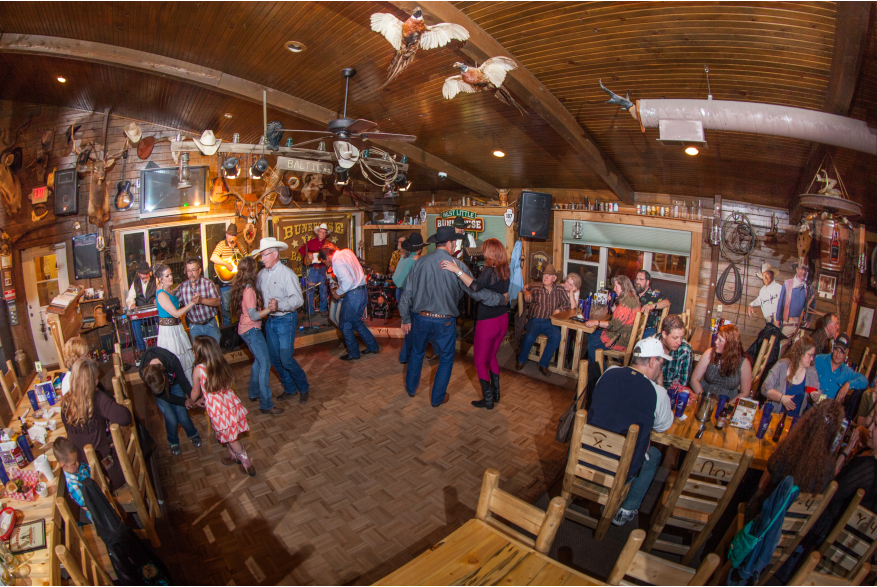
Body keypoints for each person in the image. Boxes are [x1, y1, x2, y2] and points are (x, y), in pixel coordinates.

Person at [398, 226, 508, 407]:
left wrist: (405, 318)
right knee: (447, 359)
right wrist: (501, 299)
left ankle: (411, 389)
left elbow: (406, 294)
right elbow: (477, 294)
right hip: (445, 321)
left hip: (421, 319)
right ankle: (437, 398)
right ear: (449, 243)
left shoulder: (419, 262)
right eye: (454, 242)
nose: (455, 245)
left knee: (417, 353)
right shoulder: (458, 266)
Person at [588, 337, 674, 526]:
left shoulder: (610, 372)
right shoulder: (658, 393)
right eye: (661, 362)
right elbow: (663, 427)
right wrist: (659, 386)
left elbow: (596, 399)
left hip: (586, 451)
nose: (662, 367)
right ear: (652, 361)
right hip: (619, 468)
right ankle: (626, 509)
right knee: (653, 454)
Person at [440, 238, 510, 409]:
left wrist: (456, 270)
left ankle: (488, 400)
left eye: (484, 250)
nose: (482, 253)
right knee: (491, 357)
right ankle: (496, 394)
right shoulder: (505, 270)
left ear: (491, 252)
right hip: (503, 320)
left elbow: (475, 287)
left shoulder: (489, 271)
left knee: (479, 362)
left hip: (489, 322)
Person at [748, 400, 846, 519]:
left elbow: (768, 475)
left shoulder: (791, 447)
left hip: (766, 518)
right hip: (794, 526)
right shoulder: (830, 463)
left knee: (754, 488)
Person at [253, 237, 310, 404]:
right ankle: (290, 388)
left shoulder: (287, 274)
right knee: (274, 358)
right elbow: (258, 295)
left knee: (285, 358)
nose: (262, 259)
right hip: (270, 321)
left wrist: (279, 305)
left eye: (265, 255)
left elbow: (298, 300)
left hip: (286, 319)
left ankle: (304, 387)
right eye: (261, 256)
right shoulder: (261, 275)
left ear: (275, 254)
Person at [61, 359, 132, 490]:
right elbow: (126, 417)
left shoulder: (65, 402)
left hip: (83, 476)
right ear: (93, 382)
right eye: (95, 379)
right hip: (106, 476)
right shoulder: (98, 398)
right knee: (128, 446)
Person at [190, 336, 255, 476]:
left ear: (200, 353)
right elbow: (215, 385)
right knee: (226, 434)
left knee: (232, 439)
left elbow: (195, 391)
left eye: (194, 350)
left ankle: (246, 461)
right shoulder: (219, 362)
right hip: (229, 403)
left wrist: (190, 401)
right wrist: (204, 397)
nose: (193, 353)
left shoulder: (198, 369)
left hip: (218, 410)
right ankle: (234, 456)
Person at [230, 256, 282, 415]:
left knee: (259, 363)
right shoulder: (249, 290)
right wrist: (270, 309)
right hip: (252, 330)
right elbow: (254, 315)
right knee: (265, 364)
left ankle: (253, 392)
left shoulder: (243, 287)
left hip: (246, 330)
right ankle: (266, 404)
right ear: (252, 271)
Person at [319, 243, 380, 360]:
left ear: (327, 255)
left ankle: (354, 353)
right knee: (356, 322)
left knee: (344, 325)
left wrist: (337, 292)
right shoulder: (347, 251)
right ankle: (373, 346)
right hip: (362, 291)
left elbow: (348, 282)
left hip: (354, 294)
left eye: (324, 261)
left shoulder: (336, 261)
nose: (326, 264)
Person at [140, 345, 202, 455]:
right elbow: (163, 395)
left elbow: (183, 381)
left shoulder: (171, 360)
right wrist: (183, 401)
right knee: (171, 419)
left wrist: (193, 398)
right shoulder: (144, 372)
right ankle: (173, 441)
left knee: (182, 415)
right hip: (160, 393)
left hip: (175, 384)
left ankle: (193, 434)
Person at [515, 264, 571, 376]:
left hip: (550, 322)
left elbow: (567, 304)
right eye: (544, 274)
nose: (545, 277)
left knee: (556, 336)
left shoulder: (559, 289)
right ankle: (521, 360)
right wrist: (526, 292)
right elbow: (526, 288)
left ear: (554, 278)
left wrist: (559, 309)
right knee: (529, 336)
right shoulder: (535, 286)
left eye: (549, 275)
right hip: (535, 320)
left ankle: (543, 364)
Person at [154, 263, 198, 383]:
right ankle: (187, 391)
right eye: (167, 276)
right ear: (160, 279)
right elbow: (176, 313)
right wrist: (193, 303)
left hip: (177, 328)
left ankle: (191, 390)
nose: (170, 277)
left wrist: (174, 289)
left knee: (185, 360)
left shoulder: (168, 290)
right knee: (177, 361)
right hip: (169, 331)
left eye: (171, 274)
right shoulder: (162, 294)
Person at [585, 275, 640, 364]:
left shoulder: (627, 303)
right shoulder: (631, 298)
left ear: (623, 286)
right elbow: (621, 316)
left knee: (592, 345)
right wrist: (613, 306)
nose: (614, 289)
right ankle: (593, 368)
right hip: (625, 334)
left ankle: (600, 374)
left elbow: (614, 325)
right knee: (592, 335)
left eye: (616, 286)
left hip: (620, 339)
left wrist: (596, 322)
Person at [690, 324, 752, 402]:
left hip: (728, 402)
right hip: (705, 397)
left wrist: (728, 404)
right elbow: (694, 380)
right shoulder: (709, 353)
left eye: (720, 340)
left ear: (730, 345)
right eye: (717, 338)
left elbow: (745, 392)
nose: (716, 342)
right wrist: (704, 398)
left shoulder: (744, 363)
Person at [763, 336, 820, 414]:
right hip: (773, 416)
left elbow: (813, 398)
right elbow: (765, 389)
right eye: (809, 355)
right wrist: (781, 398)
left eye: (813, 355)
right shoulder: (782, 365)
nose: (812, 359)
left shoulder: (811, 373)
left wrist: (815, 398)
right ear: (800, 353)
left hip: (795, 422)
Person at [394, 233, 427, 364]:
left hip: (399, 292)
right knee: (411, 327)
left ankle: (407, 355)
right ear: (420, 247)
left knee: (409, 325)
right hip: (407, 295)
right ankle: (406, 356)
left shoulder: (404, 256)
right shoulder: (417, 259)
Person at [175, 257, 222, 343]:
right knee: (199, 355)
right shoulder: (182, 287)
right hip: (194, 327)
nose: (191, 273)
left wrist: (201, 300)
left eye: (193, 270)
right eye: (188, 270)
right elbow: (172, 301)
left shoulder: (208, 283)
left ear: (199, 270)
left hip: (210, 325)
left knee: (214, 354)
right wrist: (161, 294)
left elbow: (217, 302)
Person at [210, 224, 248, 327]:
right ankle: (228, 330)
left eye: (234, 236)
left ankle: (239, 328)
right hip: (226, 283)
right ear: (226, 235)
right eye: (230, 235)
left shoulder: (239, 246)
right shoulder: (222, 245)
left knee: (239, 307)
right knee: (226, 308)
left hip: (237, 283)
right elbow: (213, 257)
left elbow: (246, 259)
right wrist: (227, 264)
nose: (232, 238)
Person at [814, 334, 868, 401]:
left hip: (830, 409)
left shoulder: (847, 372)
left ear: (847, 352)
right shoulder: (819, 359)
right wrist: (813, 393)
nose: (838, 354)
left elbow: (864, 381)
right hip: (813, 406)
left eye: (842, 351)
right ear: (833, 348)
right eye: (837, 350)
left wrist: (848, 385)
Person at [776, 258, 814, 353]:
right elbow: (780, 303)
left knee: (797, 352)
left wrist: (808, 320)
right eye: (802, 268)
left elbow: (812, 304)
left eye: (806, 270)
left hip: (801, 326)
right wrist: (777, 321)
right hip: (788, 323)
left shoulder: (808, 287)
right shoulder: (788, 284)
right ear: (797, 269)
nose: (804, 271)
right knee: (781, 349)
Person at [53, 436, 94, 521]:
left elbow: (90, 470)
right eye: (74, 463)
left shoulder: (77, 467)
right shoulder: (73, 485)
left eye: (77, 459)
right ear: (64, 466)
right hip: (96, 514)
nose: (78, 463)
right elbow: (88, 504)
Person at [298, 223, 331, 317]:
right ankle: (310, 311)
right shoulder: (311, 242)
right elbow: (301, 250)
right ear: (317, 232)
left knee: (323, 291)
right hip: (312, 269)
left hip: (323, 269)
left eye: (324, 232)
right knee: (310, 290)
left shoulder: (328, 243)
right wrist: (308, 253)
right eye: (321, 232)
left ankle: (323, 309)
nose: (323, 234)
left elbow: (331, 254)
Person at [653, 314, 693, 387]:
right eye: (675, 338)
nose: (679, 342)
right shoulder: (651, 345)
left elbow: (682, 385)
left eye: (681, 337)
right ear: (664, 334)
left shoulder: (685, 350)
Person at [125, 261, 156, 353]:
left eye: (146, 273)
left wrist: (158, 299)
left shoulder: (156, 280)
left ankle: (161, 344)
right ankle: (141, 349)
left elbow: (161, 292)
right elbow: (129, 298)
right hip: (142, 315)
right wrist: (131, 304)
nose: (145, 276)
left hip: (154, 313)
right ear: (139, 274)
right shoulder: (135, 283)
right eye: (143, 274)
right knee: (134, 321)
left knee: (162, 318)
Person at [635, 270, 670, 339]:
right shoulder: (633, 294)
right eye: (636, 279)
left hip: (648, 329)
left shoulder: (654, 294)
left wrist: (652, 306)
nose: (637, 282)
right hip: (633, 327)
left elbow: (667, 302)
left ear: (647, 282)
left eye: (641, 279)